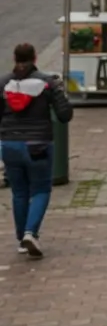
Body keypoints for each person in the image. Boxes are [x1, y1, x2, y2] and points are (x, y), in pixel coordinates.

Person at [1, 43, 73, 259]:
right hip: (38, 145)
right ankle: (31, 233)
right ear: (35, 58)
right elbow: (65, 115)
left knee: (19, 192)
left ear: (15, 59)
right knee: (41, 190)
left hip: (9, 145)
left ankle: (21, 240)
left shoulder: (3, 84)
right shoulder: (48, 83)